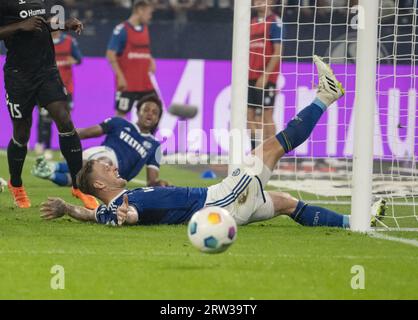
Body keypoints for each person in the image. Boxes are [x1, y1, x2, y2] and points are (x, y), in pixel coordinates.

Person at [40, 57, 386, 228]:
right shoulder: (125, 205)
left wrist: (67, 209)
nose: (113, 165)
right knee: (272, 147)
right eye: (106, 166)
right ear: (99, 182)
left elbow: (94, 213)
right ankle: (326, 96)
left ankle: (355, 223)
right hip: (221, 199)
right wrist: (126, 216)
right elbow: (126, 216)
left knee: (284, 203)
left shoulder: (113, 202)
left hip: (224, 205)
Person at [0, 0, 97, 209]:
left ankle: (78, 185)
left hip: (47, 72)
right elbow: (23, 26)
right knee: (21, 133)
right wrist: (19, 25)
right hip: (19, 76)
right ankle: (15, 184)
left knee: (64, 119)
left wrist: (64, 25)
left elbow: (41, 23)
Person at [32, 95, 169, 188]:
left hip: (114, 180)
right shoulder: (119, 123)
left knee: (82, 182)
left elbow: (151, 181)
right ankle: (55, 167)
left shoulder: (155, 146)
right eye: (146, 110)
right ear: (138, 112)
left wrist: (160, 184)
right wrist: (67, 134)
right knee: (104, 164)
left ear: (158, 119)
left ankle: (50, 172)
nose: (150, 114)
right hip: (102, 155)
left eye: (155, 112)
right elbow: (86, 133)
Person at [35, 30, 83, 160]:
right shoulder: (42, 40)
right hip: (47, 87)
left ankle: (66, 149)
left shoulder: (69, 41)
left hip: (66, 88)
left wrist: (71, 60)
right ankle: (45, 146)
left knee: (65, 120)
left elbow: (79, 59)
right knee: (46, 119)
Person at [106, 0, 158, 118]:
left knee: (154, 109)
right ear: (140, 10)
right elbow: (110, 54)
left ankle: (141, 136)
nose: (150, 17)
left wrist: (150, 59)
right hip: (127, 84)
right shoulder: (122, 30)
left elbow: (143, 48)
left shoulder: (145, 29)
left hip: (144, 83)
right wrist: (120, 76)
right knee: (120, 116)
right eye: (149, 13)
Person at [248, 0, 283, 150]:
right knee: (249, 116)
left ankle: (272, 154)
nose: (258, 2)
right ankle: (256, 153)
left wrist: (266, 75)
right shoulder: (251, 22)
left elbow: (278, 51)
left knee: (266, 116)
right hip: (250, 76)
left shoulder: (275, 22)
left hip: (266, 77)